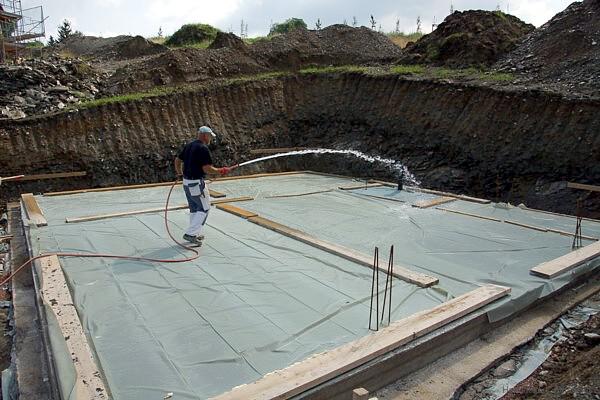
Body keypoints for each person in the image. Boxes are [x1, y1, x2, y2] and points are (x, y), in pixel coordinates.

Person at [174, 126, 236, 246]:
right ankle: (191, 234)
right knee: (204, 208)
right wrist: (221, 170)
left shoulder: (190, 145)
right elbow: (207, 169)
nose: (211, 139)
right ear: (204, 135)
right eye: (210, 136)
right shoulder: (203, 149)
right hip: (196, 183)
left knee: (194, 208)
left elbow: (177, 160)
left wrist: (179, 173)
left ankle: (194, 233)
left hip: (186, 182)